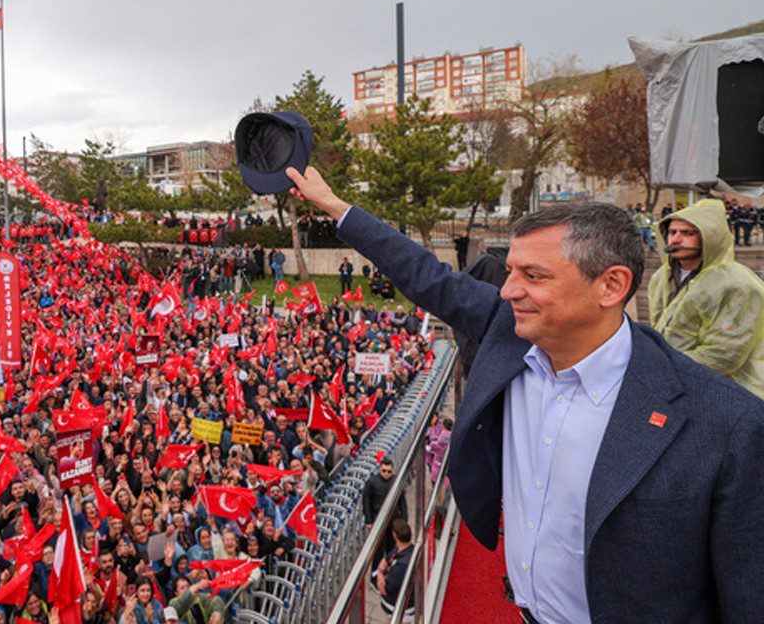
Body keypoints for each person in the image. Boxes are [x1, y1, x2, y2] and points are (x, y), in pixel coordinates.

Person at [285, 164, 764, 623]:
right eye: (511, 271)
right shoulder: (507, 330)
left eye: (533, 276)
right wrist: (333, 205)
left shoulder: (727, 424)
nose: (509, 290)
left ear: (611, 285)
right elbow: (423, 274)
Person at [649, 198, 764, 399]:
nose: (676, 239)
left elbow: (724, 356)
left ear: (709, 237)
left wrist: (662, 365)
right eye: (672, 232)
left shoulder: (738, 284)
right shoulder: (662, 277)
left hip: (730, 394)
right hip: (676, 388)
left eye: (688, 233)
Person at [374, 519, 414, 618]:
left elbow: (383, 589)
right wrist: (383, 568)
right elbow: (385, 559)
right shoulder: (407, 548)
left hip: (400, 607)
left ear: (395, 536)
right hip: (407, 598)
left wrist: (380, 574)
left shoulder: (401, 567)